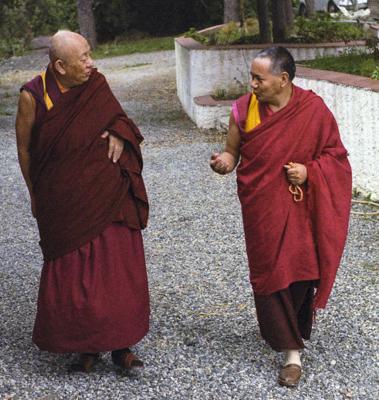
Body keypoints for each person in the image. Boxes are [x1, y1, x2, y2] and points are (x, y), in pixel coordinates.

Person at [210, 46, 352, 387]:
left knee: (301, 271)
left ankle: (292, 353)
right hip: (262, 209)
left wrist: (309, 171)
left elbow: (336, 156)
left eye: (259, 78)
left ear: (283, 79)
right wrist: (224, 164)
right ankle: (289, 348)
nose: (252, 84)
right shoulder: (244, 110)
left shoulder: (313, 110)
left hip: (302, 208)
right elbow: (233, 152)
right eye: (252, 77)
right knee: (269, 273)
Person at [15, 30, 150, 373]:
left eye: (90, 54)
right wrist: (35, 194)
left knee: (116, 268)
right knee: (74, 273)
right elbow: (25, 149)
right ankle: (85, 346)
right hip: (62, 197)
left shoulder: (95, 83)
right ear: (60, 66)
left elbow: (120, 118)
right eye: (84, 58)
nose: (92, 63)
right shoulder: (34, 96)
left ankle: (122, 346)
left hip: (107, 192)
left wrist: (120, 132)